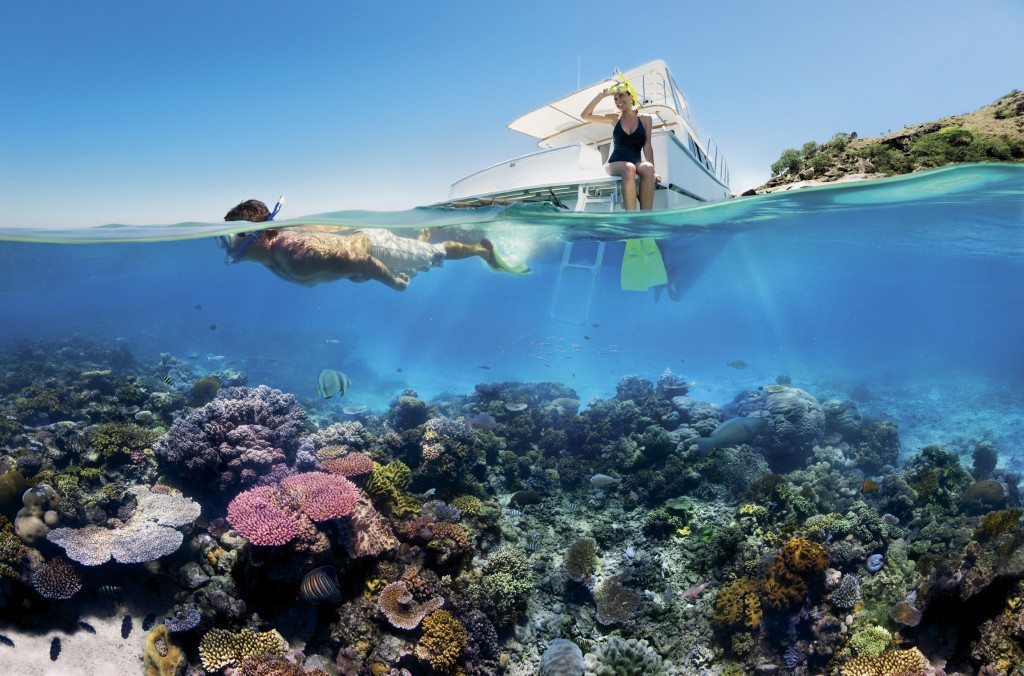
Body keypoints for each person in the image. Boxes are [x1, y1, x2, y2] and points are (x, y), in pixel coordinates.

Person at [219, 199, 528, 291]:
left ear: (263, 233)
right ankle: (421, 234)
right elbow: (348, 264)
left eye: (237, 235)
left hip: (374, 250)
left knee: (431, 256)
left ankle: (483, 250)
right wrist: (350, 272)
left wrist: (394, 283)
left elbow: (359, 259)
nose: (228, 243)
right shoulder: (272, 260)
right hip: (360, 261)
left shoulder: (296, 253)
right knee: (415, 261)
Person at [581, 82, 661, 210]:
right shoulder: (614, 118)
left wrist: (654, 172)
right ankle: (631, 217)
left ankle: (647, 217)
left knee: (648, 168)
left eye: (621, 96)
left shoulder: (646, 119)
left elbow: (647, 145)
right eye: (615, 99)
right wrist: (601, 96)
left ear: (630, 96)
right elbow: (585, 115)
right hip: (615, 163)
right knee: (629, 168)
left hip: (636, 161)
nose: (618, 101)